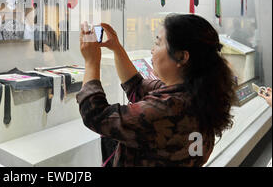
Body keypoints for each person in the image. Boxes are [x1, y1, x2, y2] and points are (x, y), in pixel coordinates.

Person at [77, 14, 237, 167]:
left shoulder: (168, 108)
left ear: (182, 57)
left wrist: (91, 62)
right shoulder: (198, 94)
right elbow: (136, 86)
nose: (152, 50)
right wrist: (117, 48)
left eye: (158, 43)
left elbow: (95, 115)